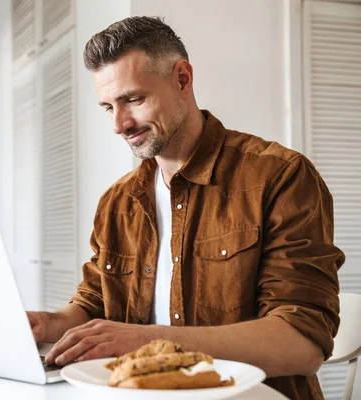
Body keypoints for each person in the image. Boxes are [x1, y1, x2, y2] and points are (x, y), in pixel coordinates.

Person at [27, 16, 344, 400]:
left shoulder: (279, 176)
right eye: (108, 107)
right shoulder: (117, 202)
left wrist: (144, 340)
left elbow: (302, 344)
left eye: (133, 99)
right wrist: (47, 324)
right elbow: (95, 302)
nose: (119, 124)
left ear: (182, 79)